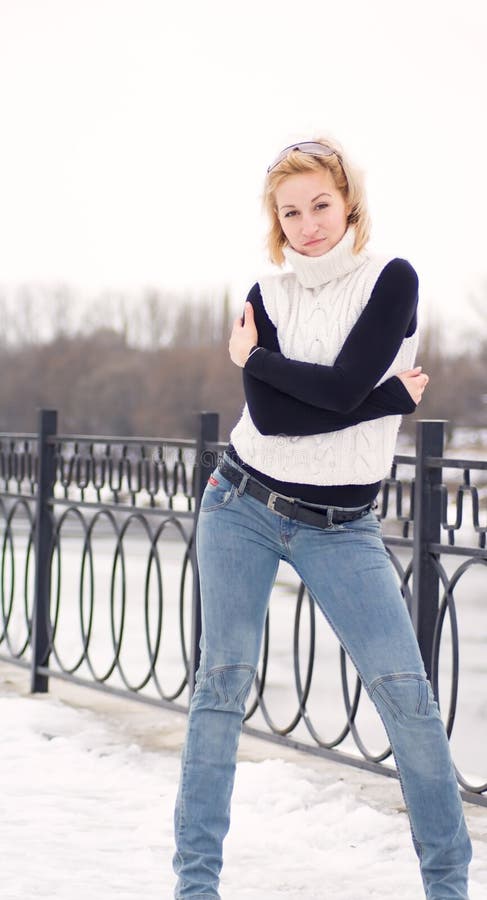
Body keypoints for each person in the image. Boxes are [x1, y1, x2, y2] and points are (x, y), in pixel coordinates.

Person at [173, 137, 472, 899]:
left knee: (406, 696)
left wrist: (254, 361)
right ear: (276, 220)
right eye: (290, 211)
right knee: (219, 687)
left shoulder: (391, 281)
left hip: (344, 526)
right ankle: (194, 886)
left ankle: (449, 886)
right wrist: (385, 398)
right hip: (239, 502)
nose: (307, 224)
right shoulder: (264, 296)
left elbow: (337, 391)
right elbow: (272, 420)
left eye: (320, 206)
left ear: (348, 204)